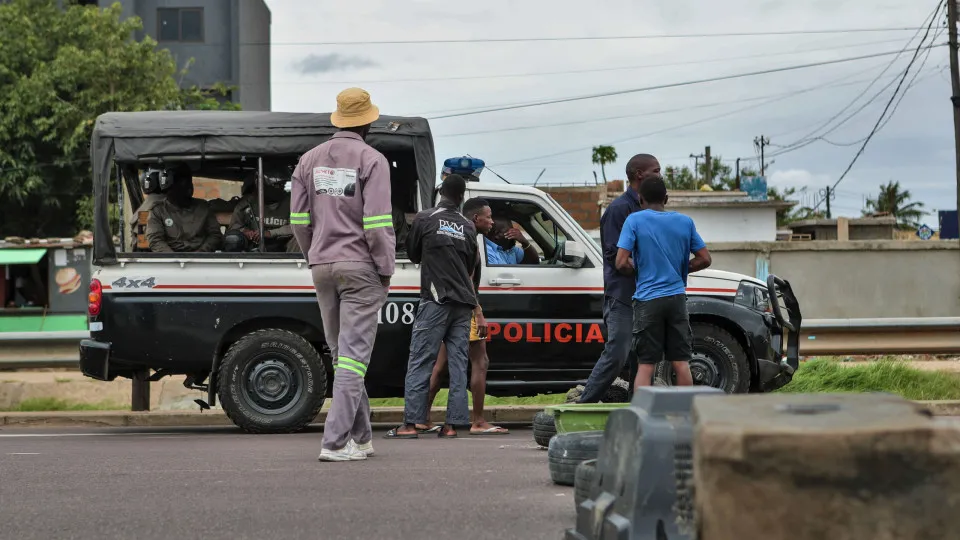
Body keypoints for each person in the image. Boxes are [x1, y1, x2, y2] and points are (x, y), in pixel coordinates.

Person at [290, 87, 395, 462]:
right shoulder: (372, 160)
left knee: (343, 356)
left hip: (322, 266)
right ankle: (334, 442)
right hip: (361, 267)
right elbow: (378, 224)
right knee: (352, 358)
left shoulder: (308, 161)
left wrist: (315, 256)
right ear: (368, 122)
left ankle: (362, 438)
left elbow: (299, 221)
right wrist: (385, 269)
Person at [387, 174, 483, 440]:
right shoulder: (468, 226)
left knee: (421, 361)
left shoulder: (425, 218)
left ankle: (409, 425)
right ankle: (452, 426)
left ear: (441, 192)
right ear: (462, 197)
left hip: (435, 299)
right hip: (463, 303)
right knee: (458, 363)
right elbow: (470, 266)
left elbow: (414, 253)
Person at [414, 197, 510, 435]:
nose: (491, 221)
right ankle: (477, 421)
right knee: (480, 361)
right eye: (488, 216)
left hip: (447, 306)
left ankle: (421, 417)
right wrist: (478, 312)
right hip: (464, 309)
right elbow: (466, 281)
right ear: (475, 218)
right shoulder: (467, 239)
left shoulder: (456, 236)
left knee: (439, 365)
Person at [615, 173, 712, 389]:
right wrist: (679, 269)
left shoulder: (635, 220)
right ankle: (685, 415)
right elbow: (705, 259)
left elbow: (621, 262)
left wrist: (641, 268)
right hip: (677, 299)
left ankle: (642, 414)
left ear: (640, 199)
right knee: (681, 363)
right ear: (666, 198)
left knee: (646, 365)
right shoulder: (685, 222)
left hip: (648, 301)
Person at [577, 154, 661, 403]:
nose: (660, 176)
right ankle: (584, 405)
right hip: (622, 296)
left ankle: (639, 410)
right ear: (639, 175)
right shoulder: (619, 210)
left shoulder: (650, 209)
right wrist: (651, 269)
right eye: (656, 171)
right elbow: (616, 258)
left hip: (646, 296)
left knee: (644, 358)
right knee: (617, 353)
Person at [145, 164, 223, 253]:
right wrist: (174, 259)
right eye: (171, 190)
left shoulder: (203, 207)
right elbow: (155, 240)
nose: (186, 189)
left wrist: (201, 253)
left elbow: (215, 235)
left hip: (201, 258)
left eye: (187, 184)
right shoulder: (158, 211)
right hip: (170, 259)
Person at [227, 170, 298, 253]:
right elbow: (234, 227)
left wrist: (270, 233)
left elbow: (297, 227)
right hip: (252, 247)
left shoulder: (292, 202)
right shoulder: (247, 203)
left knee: (300, 239)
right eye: (275, 185)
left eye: (282, 185)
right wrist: (245, 232)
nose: (280, 189)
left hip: (284, 247)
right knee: (233, 238)